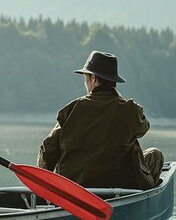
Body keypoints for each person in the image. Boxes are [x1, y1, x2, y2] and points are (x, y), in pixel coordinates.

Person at [37, 50, 164, 190]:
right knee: (155, 155)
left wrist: (43, 187)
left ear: (94, 79)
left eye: (86, 77)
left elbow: (48, 150)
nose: (85, 83)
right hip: (119, 189)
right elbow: (144, 127)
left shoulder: (72, 109)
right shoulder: (130, 111)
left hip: (74, 191)